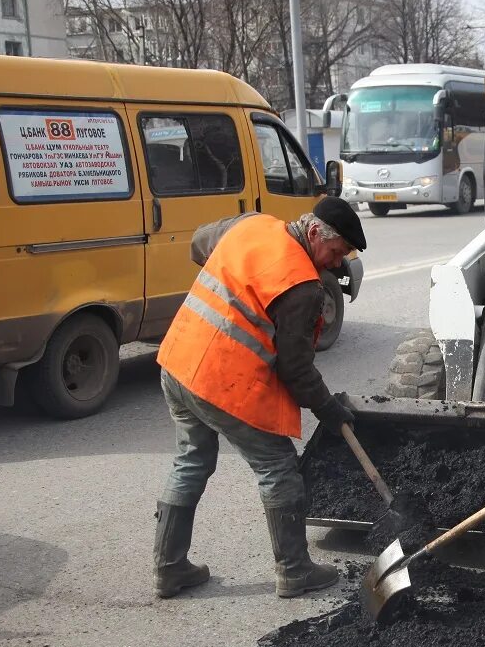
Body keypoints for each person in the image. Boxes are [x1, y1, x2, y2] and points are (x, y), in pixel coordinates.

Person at [152, 196, 365, 600]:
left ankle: (169, 568)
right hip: (221, 382)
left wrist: (238, 289)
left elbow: (199, 243)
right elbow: (297, 370)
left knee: (191, 462)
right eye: (336, 253)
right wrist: (328, 410)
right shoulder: (302, 286)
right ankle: (295, 570)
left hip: (178, 362)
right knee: (278, 467)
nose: (337, 265)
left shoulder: (251, 225)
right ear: (315, 232)